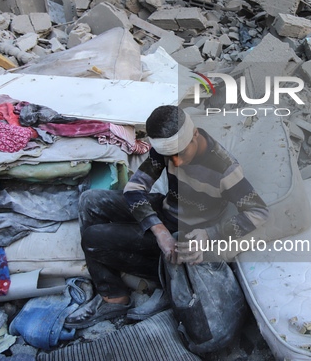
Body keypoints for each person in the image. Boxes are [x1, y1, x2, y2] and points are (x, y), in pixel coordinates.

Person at [65, 106, 269, 328]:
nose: (177, 162)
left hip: (186, 233)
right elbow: (134, 189)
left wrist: (210, 234)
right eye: (170, 156)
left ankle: (158, 282)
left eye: (180, 154)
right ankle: (113, 294)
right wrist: (158, 229)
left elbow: (258, 212)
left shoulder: (224, 168)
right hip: (166, 212)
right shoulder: (167, 148)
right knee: (90, 200)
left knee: (93, 238)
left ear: (195, 135)